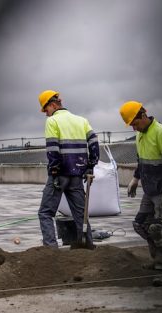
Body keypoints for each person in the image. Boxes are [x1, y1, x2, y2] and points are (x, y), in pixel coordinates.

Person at [119, 101, 162, 286]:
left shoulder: (161, 132)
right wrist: (136, 179)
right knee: (141, 224)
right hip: (149, 188)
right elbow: (142, 160)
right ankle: (156, 259)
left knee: (158, 228)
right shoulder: (140, 135)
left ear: (143, 115)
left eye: (135, 123)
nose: (134, 128)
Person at [36, 90, 99, 248]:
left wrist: (55, 171)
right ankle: (87, 246)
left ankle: (51, 250)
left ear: (52, 105)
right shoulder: (81, 121)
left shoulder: (52, 122)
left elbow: (52, 149)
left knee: (45, 212)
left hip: (60, 175)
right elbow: (94, 143)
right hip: (77, 175)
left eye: (46, 110)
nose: (46, 114)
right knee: (80, 215)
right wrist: (90, 165)